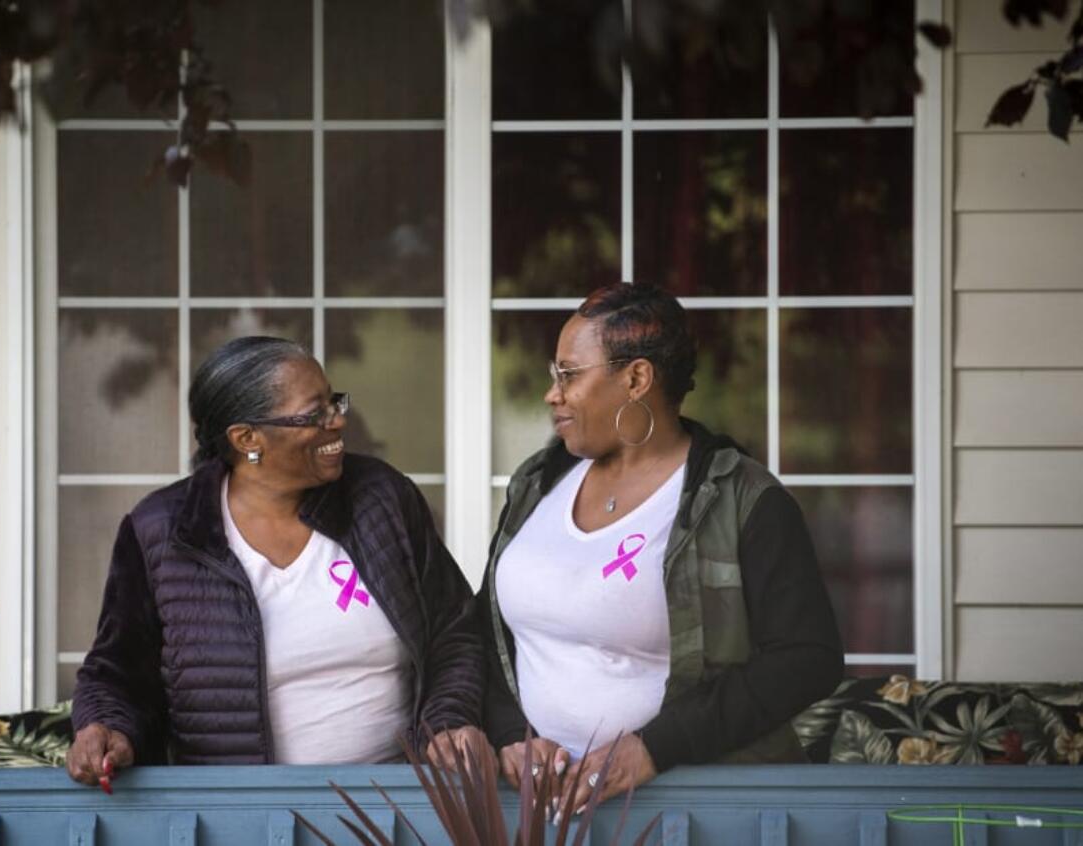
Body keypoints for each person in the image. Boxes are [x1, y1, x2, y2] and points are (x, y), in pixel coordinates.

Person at [479, 283, 843, 810]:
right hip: (538, 810)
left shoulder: (743, 498)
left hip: (689, 805)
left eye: (569, 374)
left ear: (636, 378)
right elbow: (486, 633)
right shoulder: (537, 484)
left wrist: (653, 749)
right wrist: (513, 734)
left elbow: (808, 658)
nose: (552, 393)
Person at [67, 336, 484, 786]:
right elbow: (117, 670)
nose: (338, 421)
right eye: (315, 413)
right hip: (240, 811)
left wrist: (447, 723)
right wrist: (107, 726)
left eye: (335, 402)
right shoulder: (163, 533)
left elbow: (454, 631)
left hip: (394, 800)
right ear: (248, 439)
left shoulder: (381, 499)